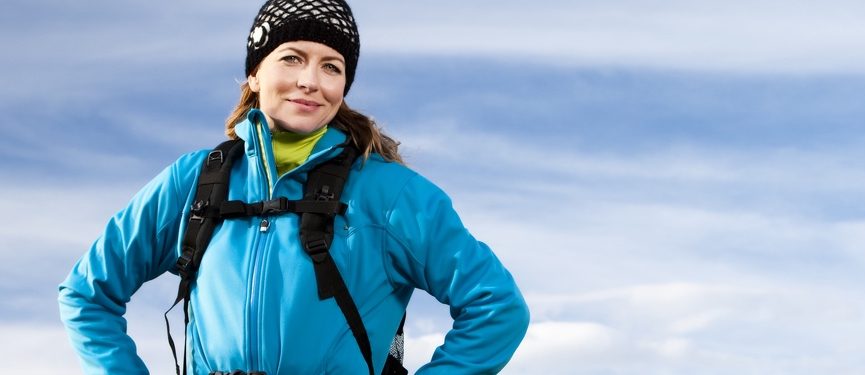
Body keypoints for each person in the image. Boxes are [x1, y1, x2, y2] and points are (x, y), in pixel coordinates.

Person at [57, 0, 531, 374]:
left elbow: (498, 308)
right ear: (254, 72)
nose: (310, 81)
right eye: (292, 58)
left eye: (331, 67)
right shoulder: (194, 180)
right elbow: (86, 293)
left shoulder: (393, 195)